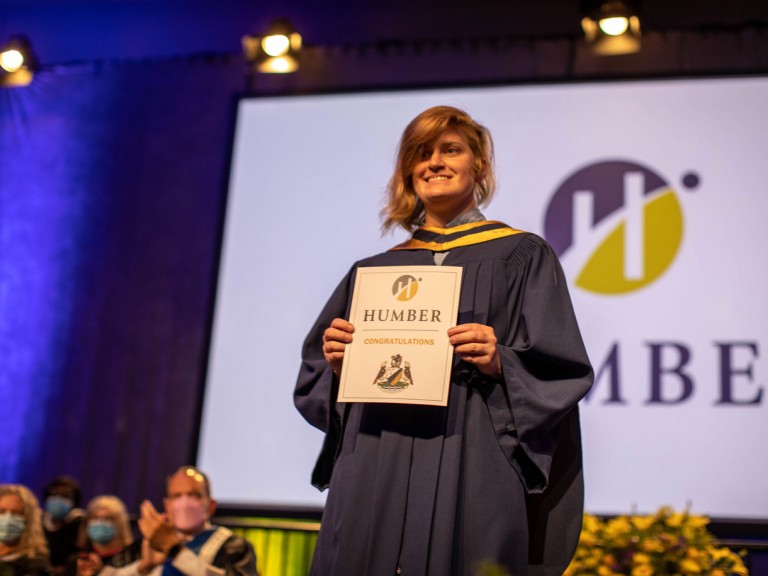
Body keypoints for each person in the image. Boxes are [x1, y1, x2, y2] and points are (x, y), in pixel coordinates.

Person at [295, 105, 594, 576]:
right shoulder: (373, 271)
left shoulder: (521, 255)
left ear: (479, 166)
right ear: (408, 173)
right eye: (421, 153)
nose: (434, 162)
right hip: (376, 457)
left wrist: (501, 362)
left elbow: (561, 369)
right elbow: (315, 386)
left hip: (471, 455)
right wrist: (338, 366)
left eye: (450, 150)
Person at [124, 467, 258, 576]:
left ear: (211, 505)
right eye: (177, 496)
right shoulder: (148, 545)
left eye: (195, 495)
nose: (185, 503)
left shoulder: (234, 547)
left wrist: (175, 551)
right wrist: (143, 568)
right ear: (167, 506)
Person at [66, 496, 140, 576]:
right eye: (95, 518)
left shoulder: (132, 557)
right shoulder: (78, 561)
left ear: (120, 524)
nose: (100, 523)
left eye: (108, 519)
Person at [0, 483, 51, 576]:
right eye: (2, 511)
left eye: (16, 513)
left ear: (28, 520)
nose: (7, 518)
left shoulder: (35, 565)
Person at [42, 477, 85, 576]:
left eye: (64, 497)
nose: (58, 500)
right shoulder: (38, 522)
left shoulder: (79, 524)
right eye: (54, 495)